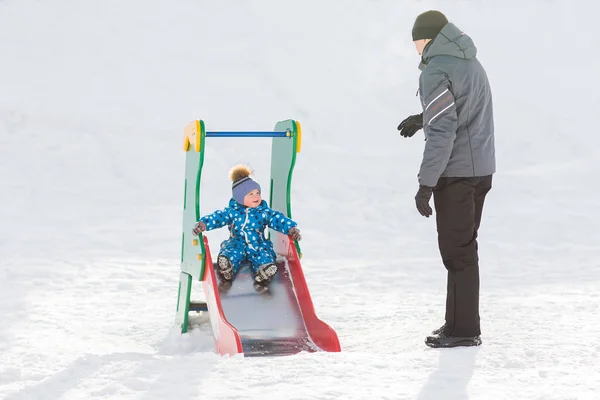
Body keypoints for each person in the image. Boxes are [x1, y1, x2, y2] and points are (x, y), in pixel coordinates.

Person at [397, 10, 496, 348]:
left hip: (455, 176)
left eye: (417, 41)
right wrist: (422, 116)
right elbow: (463, 109)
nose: (416, 48)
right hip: (481, 170)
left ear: (429, 39)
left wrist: (426, 184)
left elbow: (444, 132)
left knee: (458, 254)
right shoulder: (469, 61)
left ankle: (465, 330)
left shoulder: (435, 69)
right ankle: (457, 323)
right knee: (464, 250)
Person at [191, 164, 302, 294]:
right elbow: (218, 217)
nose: (256, 196)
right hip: (237, 242)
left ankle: (263, 273)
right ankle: (226, 269)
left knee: (264, 255)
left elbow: (277, 219)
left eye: (258, 193)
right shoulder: (232, 212)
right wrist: (204, 224)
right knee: (231, 252)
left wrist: (291, 229)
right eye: (251, 194)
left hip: (258, 244)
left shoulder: (264, 212)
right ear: (239, 197)